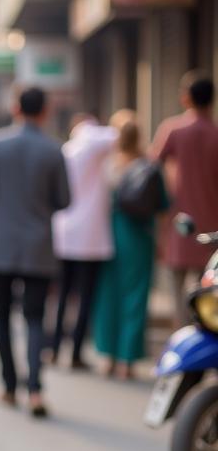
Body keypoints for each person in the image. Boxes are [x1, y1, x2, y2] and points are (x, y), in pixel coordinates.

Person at [0, 86, 71, 418]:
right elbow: (65, 200)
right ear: (45, 111)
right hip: (39, 247)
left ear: (16, 109)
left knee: (2, 318)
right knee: (35, 319)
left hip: (2, 246)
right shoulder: (54, 149)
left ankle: (8, 385)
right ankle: (35, 390)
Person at [94, 111, 169, 380]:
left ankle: (108, 356)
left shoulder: (106, 166)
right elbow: (163, 207)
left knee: (107, 297)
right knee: (135, 298)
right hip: (139, 237)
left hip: (108, 235)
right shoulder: (149, 166)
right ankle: (127, 360)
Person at [49, 114, 117, 368]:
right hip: (90, 237)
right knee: (86, 297)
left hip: (65, 234)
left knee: (63, 295)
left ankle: (55, 347)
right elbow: (115, 134)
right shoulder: (93, 144)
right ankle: (75, 351)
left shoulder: (67, 150)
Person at [156, 75, 218, 326]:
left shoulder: (174, 130)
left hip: (178, 223)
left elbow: (150, 169)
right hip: (211, 226)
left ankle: (181, 336)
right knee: (207, 289)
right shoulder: (215, 134)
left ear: (186, 98)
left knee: (176, 290)